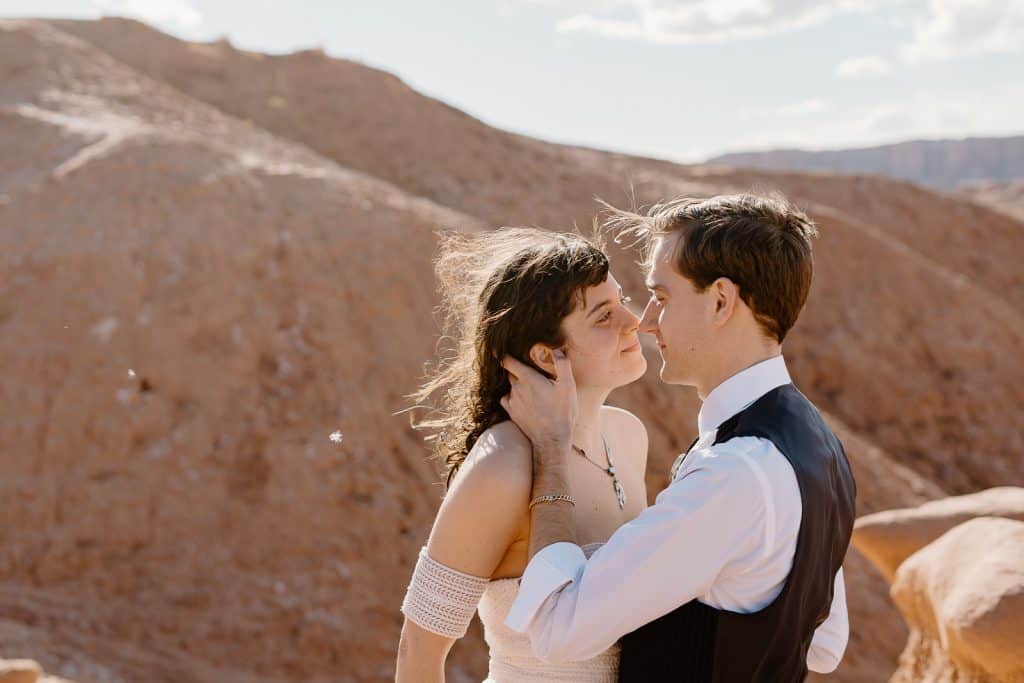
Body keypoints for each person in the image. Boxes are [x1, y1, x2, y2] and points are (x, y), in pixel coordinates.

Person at [500, 193, 857, 682]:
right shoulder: (819, 444)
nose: (645, 321)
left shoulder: (734, 472)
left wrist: (551, 454)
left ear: (720, 301)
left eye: (662, 298)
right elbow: (823, 645)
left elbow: (558, 629)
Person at [395, 227, 650, 682]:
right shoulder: (502, 466)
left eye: (623, 300)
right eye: (603, 316)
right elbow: (419, 651)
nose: (633, 321)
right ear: (547, 356)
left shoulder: (629, 437)